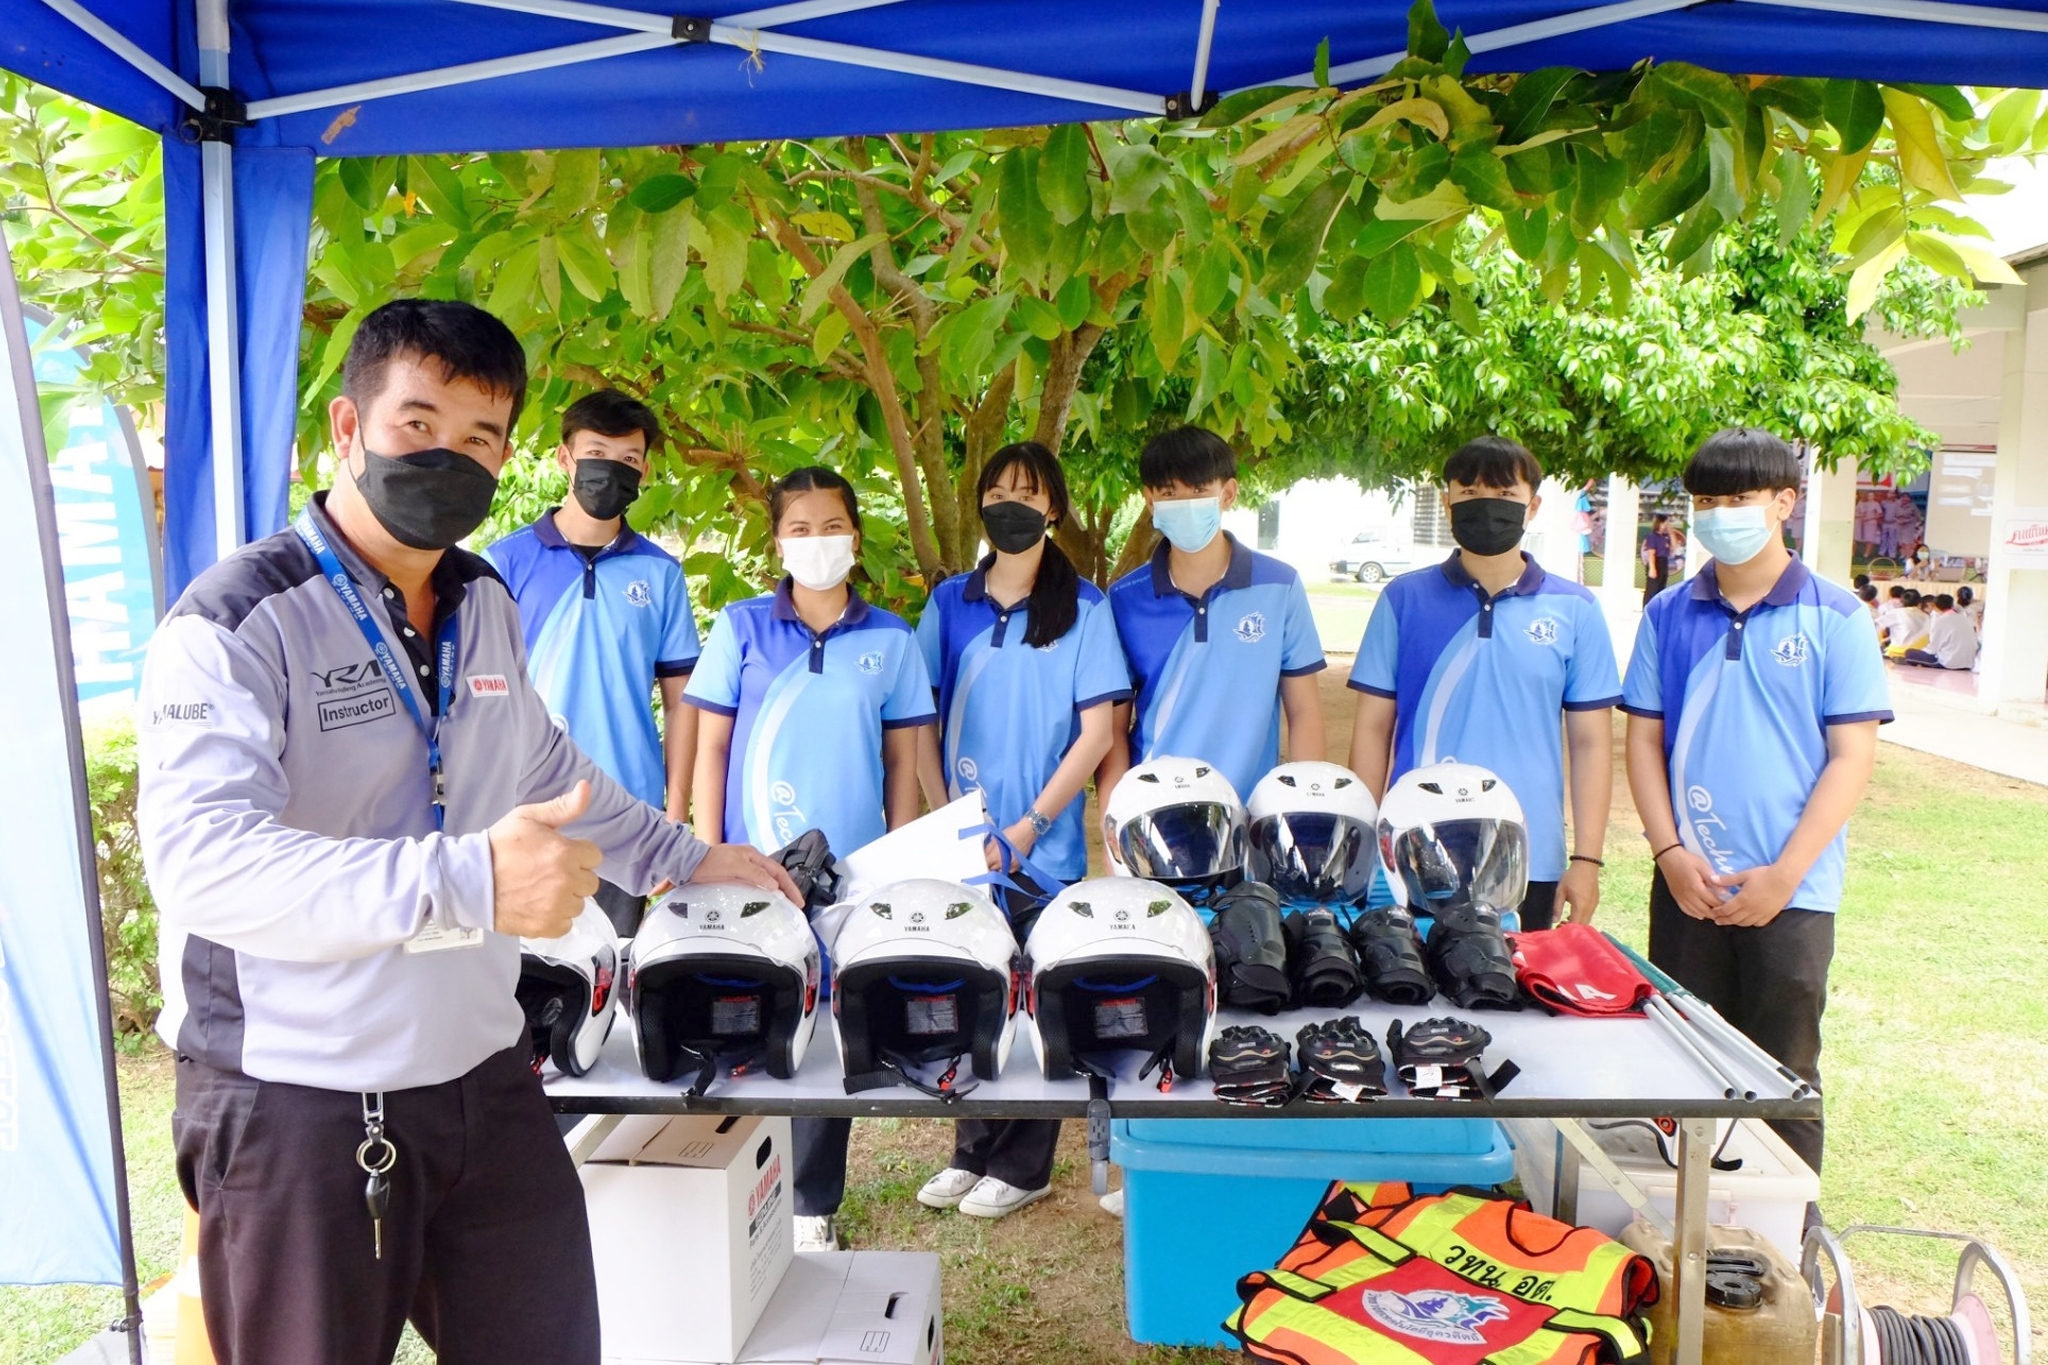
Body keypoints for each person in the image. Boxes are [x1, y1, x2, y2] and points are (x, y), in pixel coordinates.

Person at [135, 299, 799, 1365]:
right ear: (349, 430)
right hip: (299, 1101)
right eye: (417, 423)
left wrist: (683, 856)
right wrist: (468, 884)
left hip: (483, 1076)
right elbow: (204, 865)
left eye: (480, 437)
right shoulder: (237, 621)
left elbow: (539, 764)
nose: (448, 456)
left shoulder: (484, 598)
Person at [1622, 427, 1889, 1178]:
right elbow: (1643, 743)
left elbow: (1851, 756)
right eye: (1706, 500)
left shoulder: (1836, 617)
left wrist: (1784, 873)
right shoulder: (1668, 614)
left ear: (1783, 502)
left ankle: (1788, 1248)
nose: (1718, 514)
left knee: (1785, 1074)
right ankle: (1681, 1237)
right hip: (1688, 887)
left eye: (1737, 499)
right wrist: (1671, 855)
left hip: (1793, 893)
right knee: (1682, 1066)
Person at [683, 466, 937, 1254]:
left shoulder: (891, 638)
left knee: (829, 1030)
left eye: (832, 525)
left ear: (855, 537)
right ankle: (723, 1181)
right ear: (777, 541)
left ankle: (810, 1200)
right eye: (800, 527)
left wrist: (892, 861)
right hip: (749, 867)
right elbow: (711, 745)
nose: (816, 540)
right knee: (740, 1016)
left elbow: (904, 761)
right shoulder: (740, 628)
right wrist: (703, 848)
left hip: (852, 873)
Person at [910, 442, 1131, 1221]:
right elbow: (919, 721)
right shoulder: (947, 602)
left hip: (1044, 847)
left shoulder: (1087, 608)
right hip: (964, 845)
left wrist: (1030, 826)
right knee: (969, 993)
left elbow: (1097, 732)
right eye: (997, 488)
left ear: (1054, 509)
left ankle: (1026, 1162)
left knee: (1033, 1000)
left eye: (1027, 491)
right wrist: (955, 823)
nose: (1009, 501)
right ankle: (969, 1148)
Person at [1347, 436, 1622, 930]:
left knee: (1514, 1000)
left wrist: (1587, 861)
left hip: (1525, 856)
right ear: (1447, 500)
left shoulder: (1575, 609)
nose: (1485, 507)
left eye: (1503, 495)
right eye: (1469, 493)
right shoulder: (1403, 599)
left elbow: (1590, 743)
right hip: (1414, 846)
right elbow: (1371, 729)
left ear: (1532, 506)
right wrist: (1367, 842)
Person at [485, 389, 699, 936]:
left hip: (630, 813)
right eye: (597, 453)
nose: (612, 471)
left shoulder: (661, 574)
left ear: (644, 470)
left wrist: (675, 814)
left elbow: (682, 708)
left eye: (628, 460)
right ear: (565, 458)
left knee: (614, 980)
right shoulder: (502, 563)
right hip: (526, 806)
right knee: (530, 988)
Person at [1098, 426, 1326, 811]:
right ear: (1150, 501)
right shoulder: (1124, 598)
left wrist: (1307, 812)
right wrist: (1113, 820)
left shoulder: (1279, 586)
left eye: (1199, 490)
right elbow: (1113, 729)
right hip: (1153, 811)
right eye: (1169, 493)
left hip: (1249, 812)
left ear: (1228, 494)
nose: (1184, 503)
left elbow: (1304, 712)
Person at [1901, 594, 1978, 671]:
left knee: (1909, 653)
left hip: (1948, 662)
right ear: (1951, 605)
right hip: (1969, 662)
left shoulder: (1940, 621)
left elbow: (1932, 649)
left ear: (1934, 606)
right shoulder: (1964, 619)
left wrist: (1922, 650)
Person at [1641, 512, 1673, 605]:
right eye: (1663, 523)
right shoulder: (1652, 536)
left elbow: (1674, 547)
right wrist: (1652, 568)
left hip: (1664, 562)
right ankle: (1647, 608)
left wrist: (1670, 531)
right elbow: (1651, 553)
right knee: (1652, 589)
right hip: (1655, 562)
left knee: (1661, 588)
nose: (1664, 526)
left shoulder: (1665, 537)